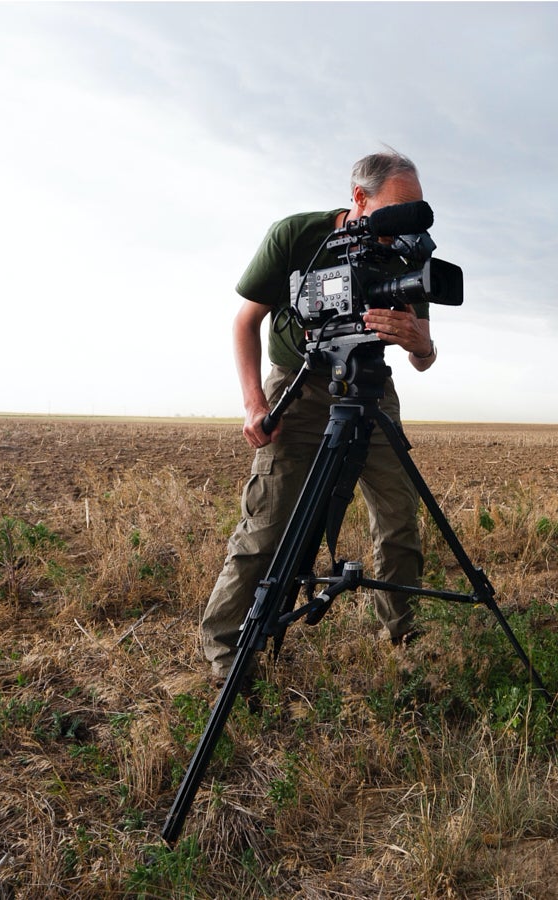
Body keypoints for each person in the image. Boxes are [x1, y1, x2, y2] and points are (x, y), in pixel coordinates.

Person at [200, 150, 437, 686]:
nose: (409, 219)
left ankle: (400, 637)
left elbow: (424, 357)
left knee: (398, 518)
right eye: (399, 207)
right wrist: (254, 403)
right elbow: (245, 322)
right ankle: (224, 654)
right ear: (359, 199)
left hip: (371, 383)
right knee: (267, 523)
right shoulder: (296, 236)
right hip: (301, 384)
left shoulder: (407, 252)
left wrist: (422, 343)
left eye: (417, 207)